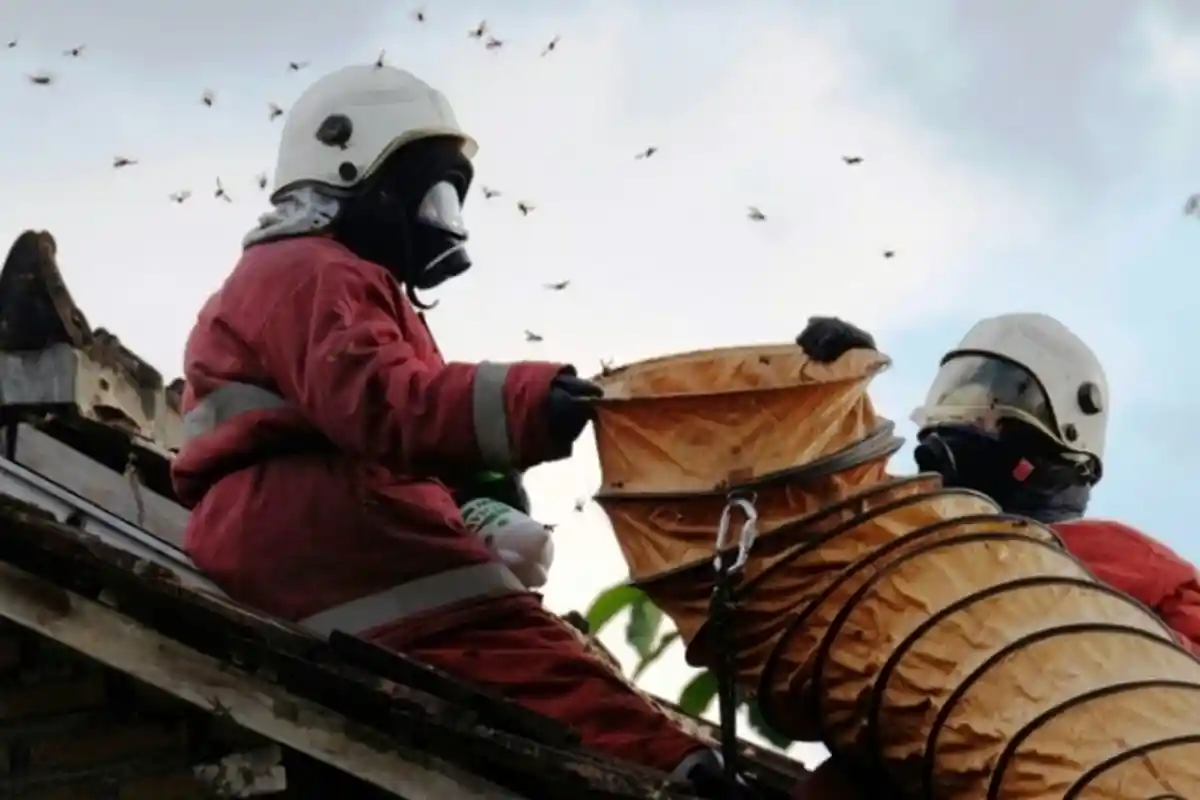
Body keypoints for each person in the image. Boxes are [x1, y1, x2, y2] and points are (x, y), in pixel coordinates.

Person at [171, 64, 749, 796]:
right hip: (314, 527)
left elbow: (406, 422)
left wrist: (485, 492)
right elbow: (381, 400)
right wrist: (531, 402)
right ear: (355, 173)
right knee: (516, 648)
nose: (437, 219)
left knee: (516, 641)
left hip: (310, 520)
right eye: (427, 193)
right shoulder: (308, 270)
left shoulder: (329, 279)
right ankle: (680, 773)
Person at [796, 314, 1200, 655]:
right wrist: (823, 395)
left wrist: (1097, 649)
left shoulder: (1120, 555)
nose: (959, 424)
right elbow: (812, 506)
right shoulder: (900, 527)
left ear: (1050, 441)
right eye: (955, 404)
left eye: (986, 410)